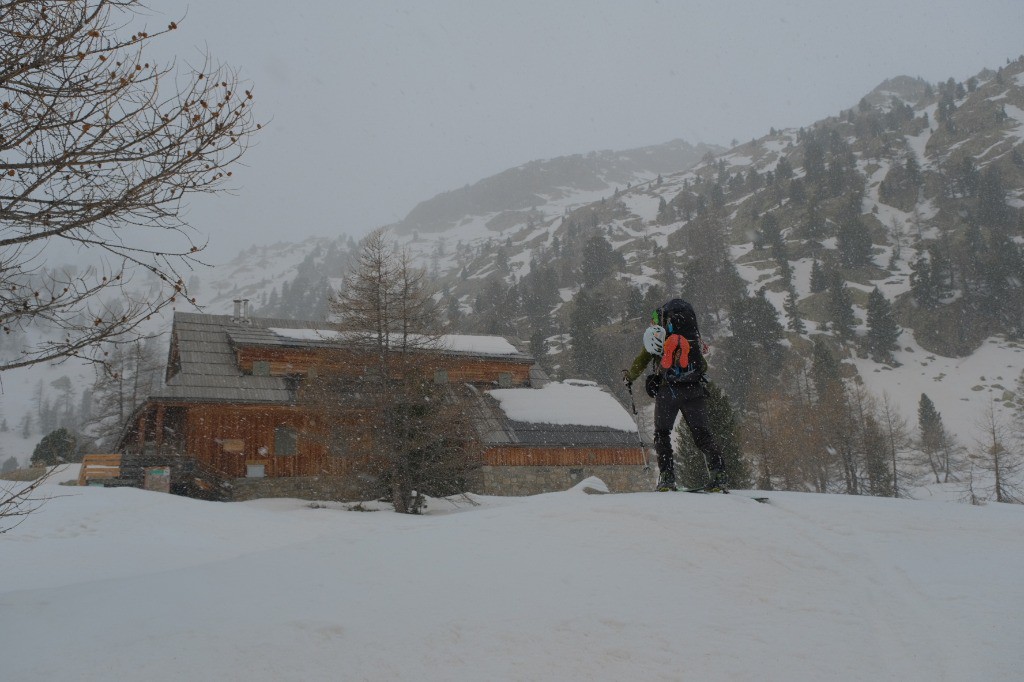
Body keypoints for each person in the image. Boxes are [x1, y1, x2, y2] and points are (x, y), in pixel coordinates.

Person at [622, 298, 727, 492]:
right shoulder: (691, 338)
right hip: (694, 389)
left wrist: (629, 376)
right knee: (702, 433)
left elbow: (642, 359)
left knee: (662, 433)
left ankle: (668, 478)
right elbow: (702, 366)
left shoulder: (656, 337)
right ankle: (718, 474)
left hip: (667, 391)